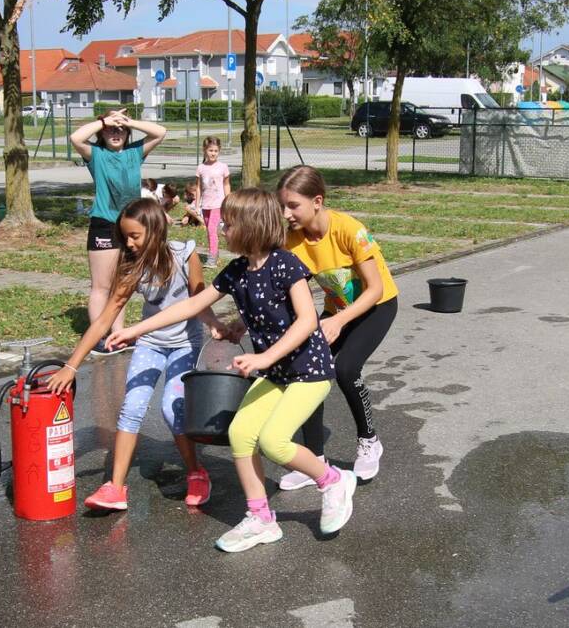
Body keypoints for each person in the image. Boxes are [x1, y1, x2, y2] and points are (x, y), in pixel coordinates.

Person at [108, 188, 357, 553]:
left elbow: (306, 322)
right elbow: (194, 304)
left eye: (228, 222)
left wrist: (263, 357)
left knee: (274, 440)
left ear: (251, 227)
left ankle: (333, 481)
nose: (221, 227)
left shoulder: (286, 265)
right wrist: (134, 329)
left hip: (310, 369)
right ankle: (261, 519)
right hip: (274, 371)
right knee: (241, 432)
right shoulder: (238, 271)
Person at [47, 198, 225, 511]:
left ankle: (196, 472)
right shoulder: (132, 267)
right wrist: (70, 366)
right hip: (150, 343)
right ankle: (115, 487)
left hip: (185, 343)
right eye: (125, 236)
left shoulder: (185, 255)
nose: (128, 244)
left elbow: (200, 300)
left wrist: (214, 325)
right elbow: (103, 319)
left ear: (155, 232)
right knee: (132, 405)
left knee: (172, 409)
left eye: (134, 236)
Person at [276, 165, 398, 485]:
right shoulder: (292, 240)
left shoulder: (348, 230)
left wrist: (339, 321)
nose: (286, 214)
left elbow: (376, 289)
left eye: (293, 206)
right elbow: (286, 290)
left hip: (376, 307)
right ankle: (314, 460)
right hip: (336, 312)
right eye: (282, 206)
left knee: (346, 369)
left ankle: (369, 440)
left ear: (317, 201)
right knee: (308, 370)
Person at [70, 108, 167, 354]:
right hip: (104, 224)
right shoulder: (97, 154)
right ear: (102, 133)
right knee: (102, 286)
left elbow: (160, 132)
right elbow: (76, 138)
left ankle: (118, 335)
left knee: (122, 284)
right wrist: (104, 121)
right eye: (111, 130)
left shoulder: (135, 152)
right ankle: (98, 338)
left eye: (121, 130)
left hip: (130, 226)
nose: (116, 132)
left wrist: (128, 120)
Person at [196, 137, 231, 268]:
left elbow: (227, 185)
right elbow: (199, 187)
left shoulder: (223, 167)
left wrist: (228, 201)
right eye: (210, 150)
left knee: (212, 229)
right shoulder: (200, 168)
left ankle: (212, 259)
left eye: (216, 151)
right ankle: (214, 253)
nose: (213, 153)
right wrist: (197, 204)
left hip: (218, 204)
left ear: (219, 151)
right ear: (205, 150)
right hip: (206, 204)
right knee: (210, 231)